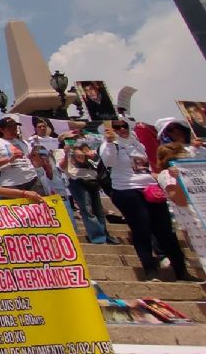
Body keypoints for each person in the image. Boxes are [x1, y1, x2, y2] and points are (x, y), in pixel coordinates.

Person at [101, 121, 194, 282]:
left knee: (166, 231)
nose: (122, 129)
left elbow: (146, 165)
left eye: (124, 126)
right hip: (127, 189)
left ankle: (181, 270)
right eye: (117, 127)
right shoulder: (109, 145)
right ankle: (150, 270)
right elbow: (108, 162)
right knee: (142, 229)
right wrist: (110, 142)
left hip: (149, 188)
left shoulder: (137, 143)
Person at [156, 143, 206, 271]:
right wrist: (177, 179)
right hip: (194, 219)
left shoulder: (195, 170)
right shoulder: (166, 175)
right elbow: (179, 201)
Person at [59, 137, 116, 245]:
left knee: (98, 210)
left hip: (92, 180)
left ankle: (105, 234)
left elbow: (99, 161)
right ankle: (98, 238)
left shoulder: (89, 149)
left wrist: (89, 154)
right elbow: (62, 166)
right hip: (77, 181)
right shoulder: (64, 151)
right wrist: (67, 153)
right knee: (87, 209)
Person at [0, 116, 47, 197]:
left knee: (39, 208)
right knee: (15, 209)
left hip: (32, 180)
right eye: (10, 128)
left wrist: (38, 157)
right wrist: (10, 159)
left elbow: (35, 163)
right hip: (11, 184)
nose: (14, 130)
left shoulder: (23, 142)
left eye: (15, 127)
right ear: (1, 130)